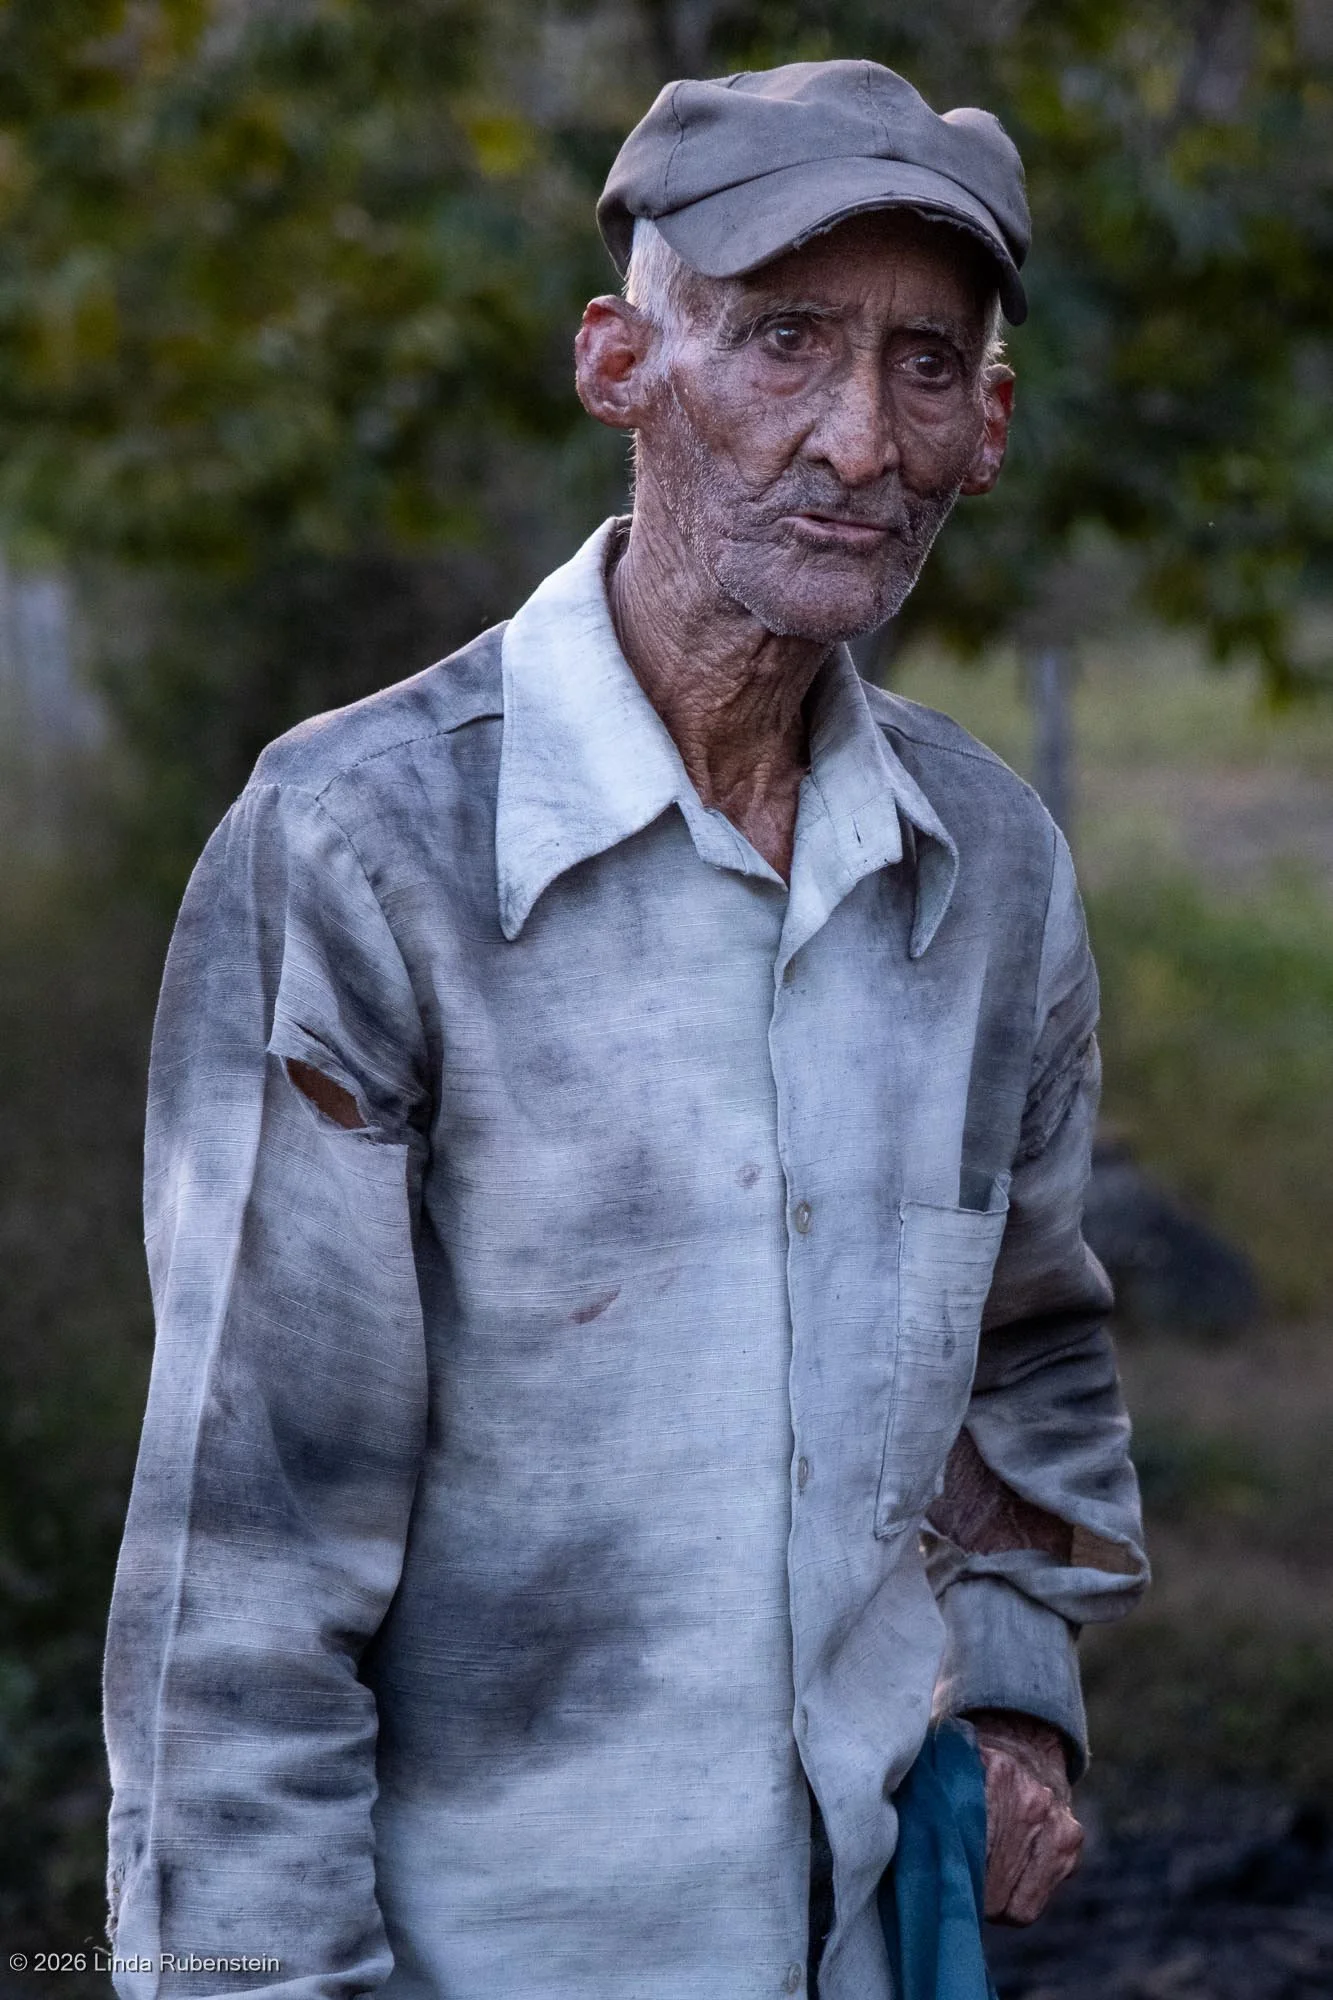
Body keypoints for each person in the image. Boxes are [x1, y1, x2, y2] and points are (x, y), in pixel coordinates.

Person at [104, 58, 1147, 2000]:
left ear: (990, 425)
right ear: (618, 365)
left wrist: (1013, 1709)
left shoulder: (989, 871)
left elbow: (1030, 1353)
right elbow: (242, 1574)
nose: (856, 437)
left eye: (929, 366)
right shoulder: (363, 846)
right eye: (780, 343)